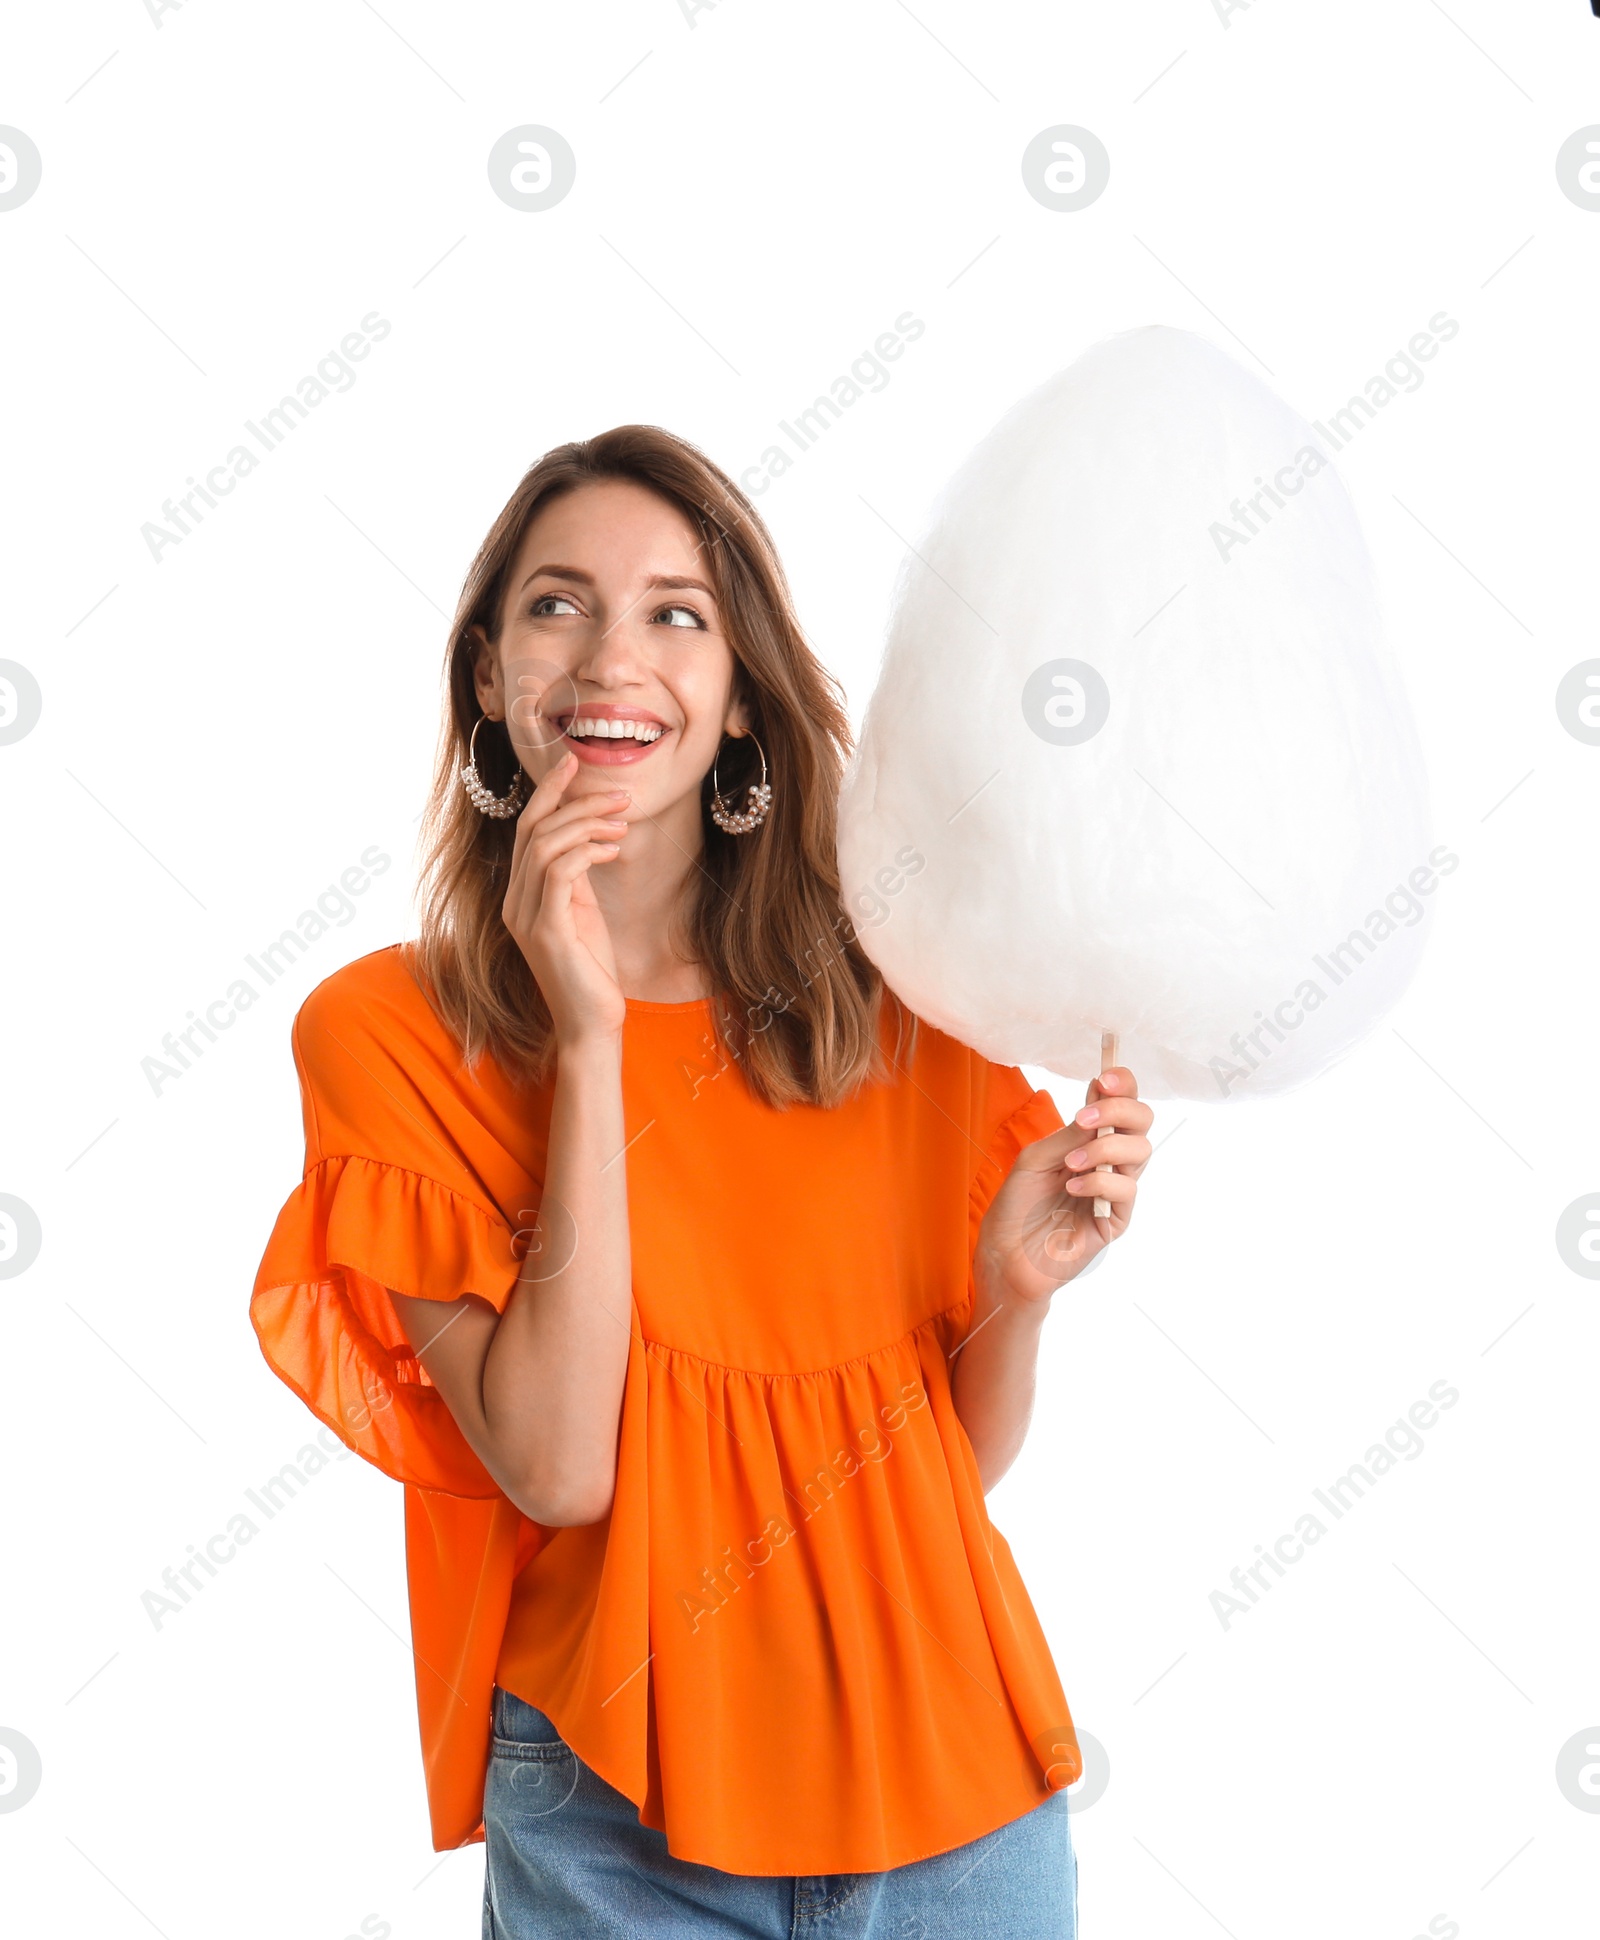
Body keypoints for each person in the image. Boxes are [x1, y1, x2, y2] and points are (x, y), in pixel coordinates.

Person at [251, 425, 1152, 1937]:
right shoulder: (385, 1036)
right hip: (620, 1813)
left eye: (678, 612)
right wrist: (590, 1036)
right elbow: (560, 1468)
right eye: (556, 605)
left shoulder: (902, 995)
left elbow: (950, 1477)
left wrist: (1014, 1296)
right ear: (487, 674)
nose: (613, 657)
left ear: (739, 698)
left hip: (965, 1798)